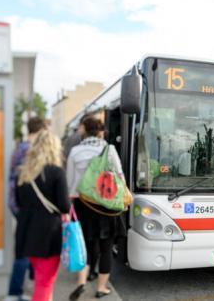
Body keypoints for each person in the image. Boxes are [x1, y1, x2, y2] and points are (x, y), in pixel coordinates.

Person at [66, 116, 126, 300]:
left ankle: (83, 280)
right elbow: (120, 176)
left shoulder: (75, 151)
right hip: (105, 205)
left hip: (83, 204)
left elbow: (70, 182)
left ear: (85, 130)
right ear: (100, 131)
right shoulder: (109, 149)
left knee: (86, 243)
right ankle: (101, 288)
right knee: (106, 247)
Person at [15, 130, 71, 301]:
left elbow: (19, 202)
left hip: (27, 230)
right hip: (48, 233)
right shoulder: (56, 172)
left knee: (41, 279)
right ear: (54, 148)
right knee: (44, 282)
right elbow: (64, 206)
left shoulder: (24, 172)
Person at [6, 117, 47, 301]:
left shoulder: (19, 149)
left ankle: (23, 287)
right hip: (27, 208)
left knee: (25, 248)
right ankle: (16, 292)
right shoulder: (31, 151)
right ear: (39, 131)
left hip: (16, 204)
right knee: (26, 251)